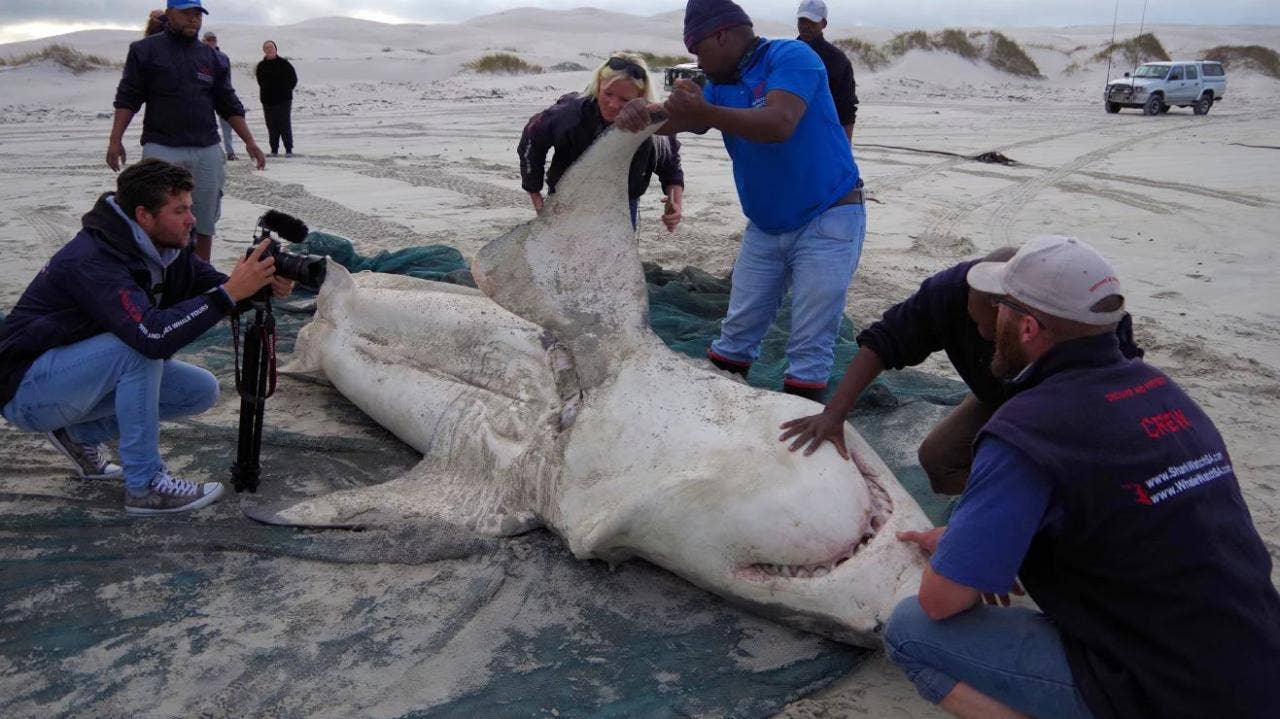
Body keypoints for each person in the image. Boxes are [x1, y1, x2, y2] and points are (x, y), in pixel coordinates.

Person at [882, 236, 1280, 719]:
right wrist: (966, 542)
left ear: (1027, 327)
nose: (987, 323)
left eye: (1000, 307)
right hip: (1259, 657)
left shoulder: (1027, 429)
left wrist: (957, 564)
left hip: (1168, 688)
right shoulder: (1161, 392)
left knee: (910, 629)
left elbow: (942, 602)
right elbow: (1129, 520)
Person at [0, 159, 291, 515]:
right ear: (143, 215)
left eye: (190, 207)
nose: (192, 219)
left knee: (198, 391)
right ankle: (146, 486)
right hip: (24, 388)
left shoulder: (167, 247)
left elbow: (211, 288)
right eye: (179, 210)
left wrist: (257, 285)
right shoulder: (93, 259)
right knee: (138, 349)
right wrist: (229, 293)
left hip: (73, 380)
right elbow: (153, 336)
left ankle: (76, 434)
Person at [617, 0, 864, 401]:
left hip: (829, 216)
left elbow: (779, 123)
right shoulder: (719, 82)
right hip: (765, 227)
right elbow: (683, 119)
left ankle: (797, 440)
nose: (699, 62)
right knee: (735, 335)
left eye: (699, 52)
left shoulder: (791, 55)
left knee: (809, 345)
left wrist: (708, 109)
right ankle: (720, 418)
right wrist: (641, 114)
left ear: (721, 36)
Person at [778, 247, 1143, 495]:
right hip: (997, 392)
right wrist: (834, 414)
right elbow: (883, 341)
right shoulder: (951, 291)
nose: (983, 337)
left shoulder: (1081, 319)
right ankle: (988, 509)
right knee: (938, 460)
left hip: (1074, 410)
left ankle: (1030, 521)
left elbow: (1117, 401)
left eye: (993, 333)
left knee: (1066, 484)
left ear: (1024, 319)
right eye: (976, 326)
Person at [108, 0, 267, 264]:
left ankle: (199, 276)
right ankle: (160, 274)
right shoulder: (145, 51)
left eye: (197, 14)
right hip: (162, 148)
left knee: (204, 219)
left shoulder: (213, 57)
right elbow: (128, 97)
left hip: (206, 149)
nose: (193, 19)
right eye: (186, 13)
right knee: (159, 217)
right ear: (170, 14)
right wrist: (115, 140)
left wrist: (249, 141)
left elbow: (227, 102)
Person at [518, 53, 684, 232]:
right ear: (598, 85)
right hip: (567, 200)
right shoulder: (569, 114)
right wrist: (535, 194)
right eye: (608, 93)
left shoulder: (653, 126)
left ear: (641, 96)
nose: (613, 104)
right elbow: (532, 137)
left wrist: (675, 203)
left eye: (625, 100)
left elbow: (671, 168)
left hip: (622, 204)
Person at [795, 0, 858, 142]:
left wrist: (845, 147)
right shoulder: (785, 53)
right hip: (790, 135)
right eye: (802, 21)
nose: (806, 27)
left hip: (824, 135)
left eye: (812, 22)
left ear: (823, 24)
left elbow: (847, 108)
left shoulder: (837, 60)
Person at [255, 40, 298, 157]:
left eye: (271, 47)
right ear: (264, 50)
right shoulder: (261, 66)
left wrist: (286, 90)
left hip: (284, 100)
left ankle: (289, 149)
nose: (269, 49)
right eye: (266, 48)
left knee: (284, 124)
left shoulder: (284, 64)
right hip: (267, 100)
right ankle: (274, 150)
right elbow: (260, 81)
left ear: (275, 49)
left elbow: (293, 79)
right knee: (271, 125)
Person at [202, 30, 238, 160]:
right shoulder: (198, 55)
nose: (211, 42)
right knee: (207, 124)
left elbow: (227, 77)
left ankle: (230, 152)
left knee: (227, 124)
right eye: (209, 39)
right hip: (204, 95)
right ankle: (211, 151)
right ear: (203, 41)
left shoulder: (223, 57)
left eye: (213, 40)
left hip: (221, 94)